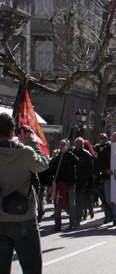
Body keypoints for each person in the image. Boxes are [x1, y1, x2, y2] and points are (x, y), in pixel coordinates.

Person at [0, 113, 49, 273]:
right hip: (24, 217)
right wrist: (31, 142)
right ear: (12, 131)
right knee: (32, 268)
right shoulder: (25, 153)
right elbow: (43, 164)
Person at [49, 139, 79, 231]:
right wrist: (50, 185)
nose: (62, 146)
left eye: (64, 145)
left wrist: (68, 153)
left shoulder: (71, 156)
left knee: (71, 203)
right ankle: (57, 224)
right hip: (59, 185)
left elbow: (76, 161)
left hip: (69, 184)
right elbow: (50, 171)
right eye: (61, 145)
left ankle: (72, 223)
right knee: (57, 205)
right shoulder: (56, 158)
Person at [72, 137, 94, 226]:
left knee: (81, 200)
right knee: (74, 200)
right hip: (72, 180)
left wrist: (86, 180)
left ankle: (78, 218)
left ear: (82, 144)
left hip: (82, 181)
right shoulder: (71, 153)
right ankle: (78, 215)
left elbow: (90, 170)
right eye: (76, 143)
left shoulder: (87, 155)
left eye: (79, 143)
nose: (77, 145)